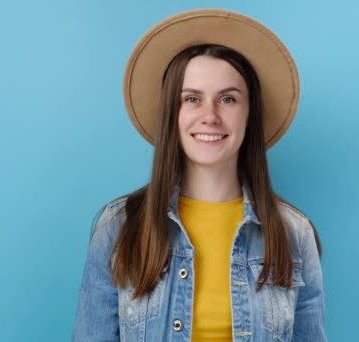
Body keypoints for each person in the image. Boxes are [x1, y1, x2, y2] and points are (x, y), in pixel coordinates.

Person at [72, 8, 327, 342]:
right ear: (171, 114)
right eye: (192, 99)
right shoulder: (118, 227)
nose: (210, 116)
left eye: (228, 99)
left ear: (249, 115)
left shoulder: (295, 234)